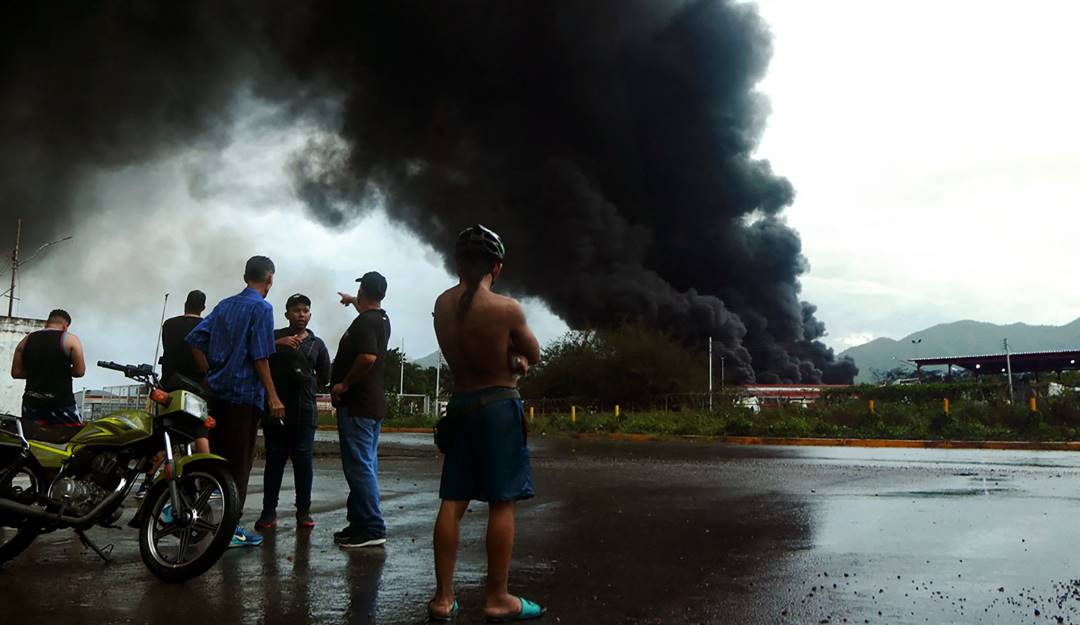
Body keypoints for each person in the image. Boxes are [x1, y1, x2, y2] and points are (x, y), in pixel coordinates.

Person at [428, 225, 544, 622]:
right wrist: (515, 359)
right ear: (497, 267)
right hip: (498, 407)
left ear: (457, 264)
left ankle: (443, 599)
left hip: (461, 406)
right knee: (501, 501)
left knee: (453, 501)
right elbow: (534, 354)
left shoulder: (441, 305)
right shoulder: (506, 308)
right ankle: (498, 598)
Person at [185, 256, 285, 548]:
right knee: (239, 465)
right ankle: (229, 529)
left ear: (245, 276)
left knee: (214, 460)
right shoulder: (262, 308)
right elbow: (260, 355)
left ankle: (201, 517)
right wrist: (273, 396)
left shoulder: (224, 305)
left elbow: (194, 339)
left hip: (216, 394)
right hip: (244, 397)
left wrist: (209, 372)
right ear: (270, 279)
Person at [256, 293, 331, 531]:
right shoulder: (273, 337)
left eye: (305, 310)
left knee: (303, 464)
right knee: (274, 462)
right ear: (287, 313)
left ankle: (303, 511)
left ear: (310, 315)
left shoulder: (317, 344)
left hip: (304, 412)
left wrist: (307, 381)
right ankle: (268, 512)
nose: (301, 315)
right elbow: (257, 355)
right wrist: (278, 344)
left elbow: (326, 377)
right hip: (276, 410)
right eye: (296, 310)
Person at [330, 271, 391, 548]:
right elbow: (366, 308)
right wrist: (351, 300)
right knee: (363, 465)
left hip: (358, 405)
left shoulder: (366, 322)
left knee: (360, 467)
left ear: (363, 291)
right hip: (370, 404)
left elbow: (367, 357)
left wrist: (344, 384)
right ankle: (359, 523)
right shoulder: (379, 318)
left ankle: (372, 527)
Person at [136, 290, 211, 499]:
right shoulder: (207, 326)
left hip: (169, 385)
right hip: (197, 387)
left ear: (186, 304)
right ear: (203, 308)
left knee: (166, 431)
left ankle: (147, 482)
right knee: (201, 433)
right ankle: (208, 481)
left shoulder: (168, 324)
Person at [10, 309, 86, 426]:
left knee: (33, 435)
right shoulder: (71, 340)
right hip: (61, 403)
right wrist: (58, 371)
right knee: (74, 435)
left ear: (47, 323)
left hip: (32, 404)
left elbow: (16, 373)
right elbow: (79, 371)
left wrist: (38, 372)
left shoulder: (25, 341)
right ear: (65, 326)